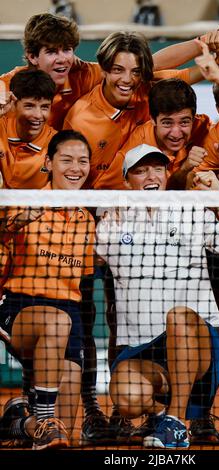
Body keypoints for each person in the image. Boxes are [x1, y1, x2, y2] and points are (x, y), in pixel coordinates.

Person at [95, 144, 219, 448]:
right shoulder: (114, 218)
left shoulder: (190, 209)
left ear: (167, 174)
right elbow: (90, 260)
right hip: (143, 347)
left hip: (194, 338)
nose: (151, 175)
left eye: (158, 168)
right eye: (141, 170)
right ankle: (161, 415)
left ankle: (175, 422)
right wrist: (103, 214)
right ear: (126, 181)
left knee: (178, 315)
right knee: (125, 397)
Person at [0, 130, 95, 450]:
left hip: (69, 312)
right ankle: (42, 414)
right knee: (56, 322)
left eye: (83, 161)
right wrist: (10, 225)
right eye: (66, 159)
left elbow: (83, 277)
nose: (75, 167)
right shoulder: (22, 201)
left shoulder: (87, 219)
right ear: (48, 162)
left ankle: (20, 423)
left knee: (64, 433)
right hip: (21, 310)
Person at [0, 11, 219, 131]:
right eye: (52, 52)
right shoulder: (14, 84)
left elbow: (152, 64)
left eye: (67, 50)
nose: (63, 59)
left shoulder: (84, 72)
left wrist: (208, 41)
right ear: (32, 56)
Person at [63, 29, 219, 190]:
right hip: (101, 201)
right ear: (103, 70)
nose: (127, 80)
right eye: (118, 70)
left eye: (136, 72)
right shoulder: (80, 121)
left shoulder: (149, 87)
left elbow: (214, 70)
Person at [0, 69, 57, 189]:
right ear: (13, 104)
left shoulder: (57, 144)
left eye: (45, 107)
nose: (38, 115)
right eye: (29, 106)